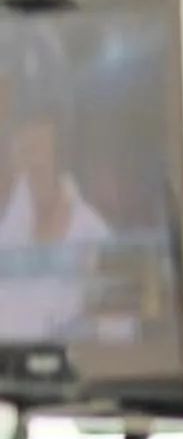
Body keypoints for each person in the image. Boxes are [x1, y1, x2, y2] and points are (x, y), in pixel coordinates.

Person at [0, 66, 110, 338]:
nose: (32, 155)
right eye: (25, 147)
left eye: (41, 146)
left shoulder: (94, 235)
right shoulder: (6, 223)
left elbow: (114, 340)